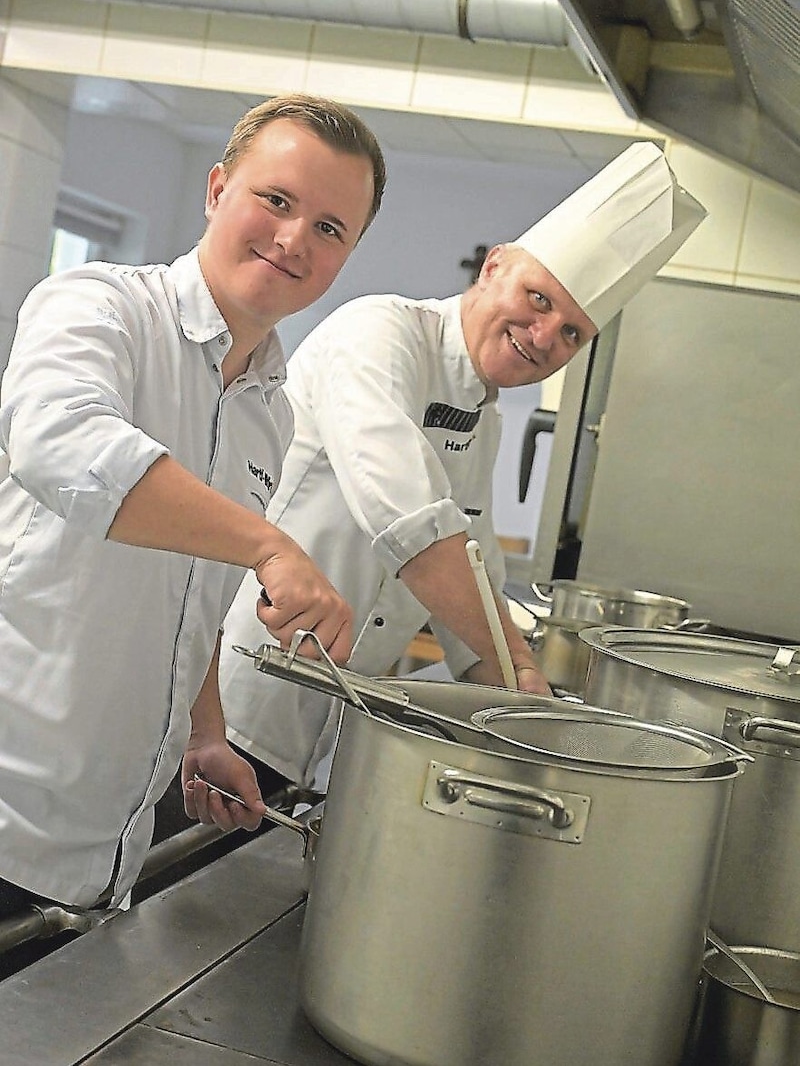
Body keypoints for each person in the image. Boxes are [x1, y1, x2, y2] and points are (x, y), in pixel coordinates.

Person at [0, 93, 387, 917]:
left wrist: (204, 731)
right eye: (276, 200)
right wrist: (271, 546)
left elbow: (192, 596)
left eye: (329, 228)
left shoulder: (268, 413)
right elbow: (60, 443)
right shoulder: (98, 306)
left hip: (110, 843)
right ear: (217, 191)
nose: (293, 239)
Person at [219, 140, 707, 792]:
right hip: (229, 708)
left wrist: (526, 695)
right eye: (539, 300)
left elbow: (473, 581)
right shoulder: (378, 334)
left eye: (570, 333)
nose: (543, 337)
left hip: (326, 732)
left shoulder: (484, 415)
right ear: (495, 266)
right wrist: (512, 666)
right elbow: (412, 525)